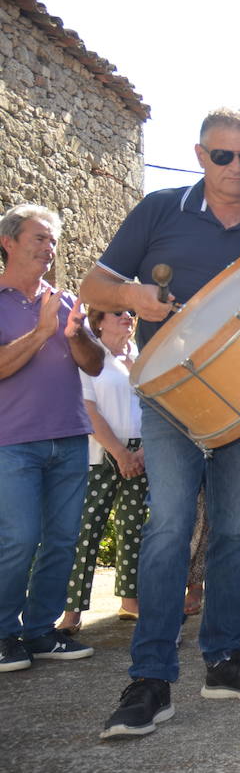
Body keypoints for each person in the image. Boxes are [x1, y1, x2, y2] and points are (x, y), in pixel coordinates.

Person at [83, 108, 240, 738]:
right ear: (199, 155)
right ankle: (151, 679)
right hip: (171, 399)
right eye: (224, 157)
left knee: (234, 534)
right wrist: (134, 297)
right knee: (170, 528)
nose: (237, 169)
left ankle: (225, 661)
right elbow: (93, 282)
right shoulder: (160, 210)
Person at [0, 204, 104, 673]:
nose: (50, 247)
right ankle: (4, 633)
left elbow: (95, 363)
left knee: (62, 540)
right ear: (9, 242)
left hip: (69, 438)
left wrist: (75, 334)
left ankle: (40, 630)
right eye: (39, 237)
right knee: (19, 539)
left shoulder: (64, 302)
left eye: (53, 240)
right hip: (13, 441)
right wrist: (43, 332)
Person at [60, 307, 146, 634]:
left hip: (141, 452)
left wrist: (143, 451)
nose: (127, 316)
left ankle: (130, 602)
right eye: (118, 312)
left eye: (131, 312)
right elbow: (88, 409)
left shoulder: (141, 358)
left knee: (132, 528)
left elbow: (156, 406)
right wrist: (120, 453)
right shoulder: (91, 358)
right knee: (87, 533)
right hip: (101, 453)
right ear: (98, 320)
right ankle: (71, 612)